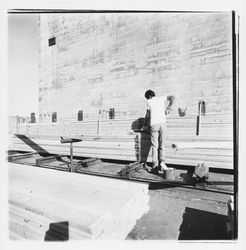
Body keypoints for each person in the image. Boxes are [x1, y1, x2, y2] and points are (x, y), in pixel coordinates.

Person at [142, 89, 175, 173]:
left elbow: (147, 115)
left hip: (154, 124)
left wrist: (145, 125)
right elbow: (172, 97)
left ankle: (155, 166)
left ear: (149, 96)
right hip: (162, 123)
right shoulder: (161, 99)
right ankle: (162, 165)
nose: (147, 99)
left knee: (154, 146)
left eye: (147, 98)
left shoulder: (149, 102)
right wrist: (168, 107)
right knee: (162, 145)